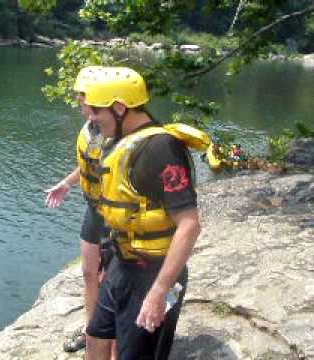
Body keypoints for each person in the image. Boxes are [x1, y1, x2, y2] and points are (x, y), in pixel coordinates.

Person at [82, 66, 202, 360]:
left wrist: (159, 292)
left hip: (153, 275)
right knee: (96, 335)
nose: (90, 117)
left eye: (96, 110)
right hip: (122, 267)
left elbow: (189, 225)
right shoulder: (119, 142)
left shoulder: (161, 148)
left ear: (120, 107)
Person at [45, 66, 111, 354]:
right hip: (93, 209)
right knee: (88, 273)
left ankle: (112, 338)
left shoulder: (116, 131)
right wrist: (68, 182)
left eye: (82, 99)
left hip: (116, 214)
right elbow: (89, 163)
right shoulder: (92, 126)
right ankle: (90, 328)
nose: (80, 105)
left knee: (111, 280)